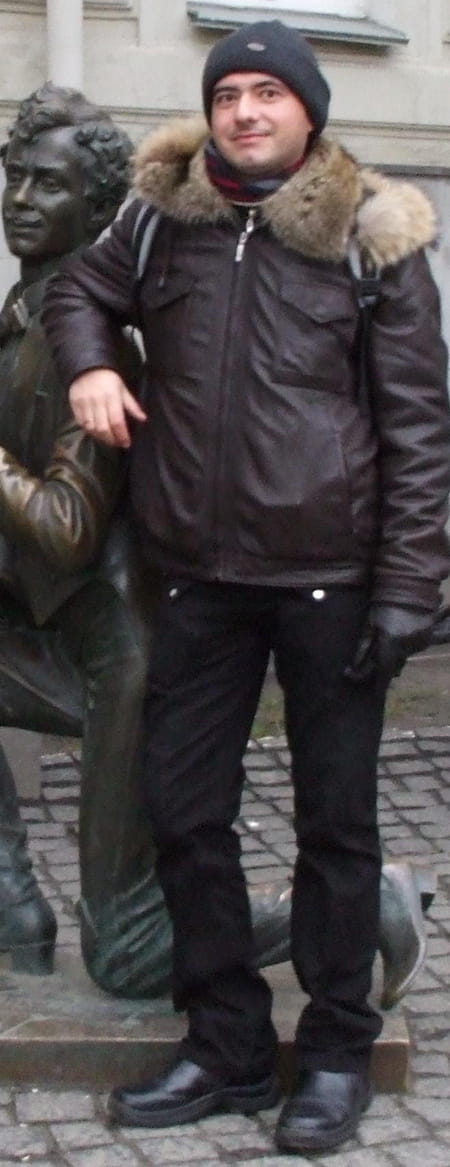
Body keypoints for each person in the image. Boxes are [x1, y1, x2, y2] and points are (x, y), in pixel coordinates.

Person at [43, 22, 450, 1155]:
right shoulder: (160, 217)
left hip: (332, 582)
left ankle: (334, 1051)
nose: (246, 112)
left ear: (308, 111)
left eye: (270, 93)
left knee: (336, 826)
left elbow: (420, 429)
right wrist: (89, 363)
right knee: (185, 817)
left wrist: (410, 588)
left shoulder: (370, 234)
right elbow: (77, 294)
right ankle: (224, 1042)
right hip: (195, 580)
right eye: (229, 94)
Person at [0, 80, 297, 997]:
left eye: (48, 184)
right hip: (57, 625)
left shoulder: (89, 344)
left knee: (126, 957)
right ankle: (13, 906)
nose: (20, 199)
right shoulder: (23, 315)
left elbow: (67, 529)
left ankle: (356, 905)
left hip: (121, 661)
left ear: (97, 210)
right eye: (14, 176)